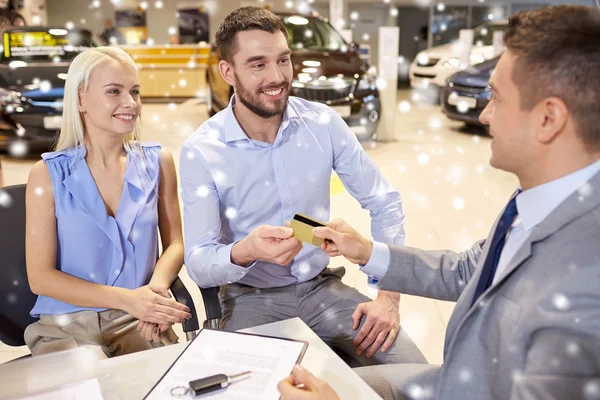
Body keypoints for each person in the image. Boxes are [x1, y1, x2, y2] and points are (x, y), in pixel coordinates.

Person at [278, 5, 600, 400]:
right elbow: (469, 269)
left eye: (496, 98)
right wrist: (367, 252)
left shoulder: (579, 298)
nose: (484, 115)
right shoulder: (540, 199)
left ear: (549, 119)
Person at [180, 7, 425, 366]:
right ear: (228, 72)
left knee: (414, 374)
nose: (277, 77)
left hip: (321, 287)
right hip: (250, 298)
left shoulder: (322, 123)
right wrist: (245, 251)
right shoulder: (202, 151)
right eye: (258, 64)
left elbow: (384, 202)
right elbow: (199, 261)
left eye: (283, 60)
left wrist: (388, 297)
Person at [24, 46, 191, 358]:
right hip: (66, 324)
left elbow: (175, 245)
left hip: (138, 319)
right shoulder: (46, 174)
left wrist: (153, 295)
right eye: (114, 91)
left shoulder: (158, 162)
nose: (131, 103)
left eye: (135, 91)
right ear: (80, 99)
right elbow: (40, 277)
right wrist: (128, 299)